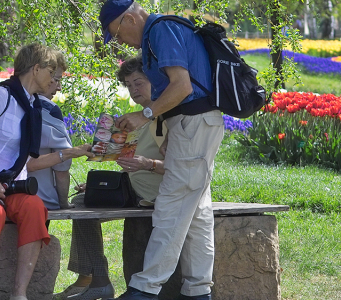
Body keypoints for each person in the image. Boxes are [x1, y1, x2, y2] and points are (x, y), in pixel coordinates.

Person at [100, 1, 225, 300]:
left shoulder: (160, 31)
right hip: (191, 124)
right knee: (197, 215)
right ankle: (197, 292)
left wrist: (145, 115)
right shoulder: (161, 30)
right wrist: (166, 123)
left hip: (195, 123)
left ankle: (144, 289)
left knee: (171, 204)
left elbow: (181, 87)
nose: (119, 42)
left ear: (128, 19)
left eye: (116, 34)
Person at [0, 43, 71, 300]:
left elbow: (27, 163)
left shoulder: (32, 107)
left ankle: (19, 294)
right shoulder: (1, 96)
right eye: (52, 72)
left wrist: (70, 153)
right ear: (36, 68)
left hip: (8, 186)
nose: (55, 80)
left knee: (35, 208)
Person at [54, 56, 166, 300]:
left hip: (155, 195)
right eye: (128, 84)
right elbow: (132, 166)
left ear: (154, 81)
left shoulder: (165, 117)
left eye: (139, 82)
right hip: (133, 189)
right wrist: (104, 186)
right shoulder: (135, 120)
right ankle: (93, 279)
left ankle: (96, 280)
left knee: (84, 207)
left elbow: (182, 167)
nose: (133, 89)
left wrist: (148, 164)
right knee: (85, 200)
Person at [28, 51, 94, 210]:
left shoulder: (9, 100)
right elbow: (62, 166)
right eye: (55, 79)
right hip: (39, 196)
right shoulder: (49, 110)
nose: (58, 87)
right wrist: (63, 202)